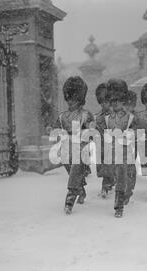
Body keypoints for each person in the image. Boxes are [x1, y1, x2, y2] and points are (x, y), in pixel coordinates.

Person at [50, 76, 94, 215]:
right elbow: (56, 128)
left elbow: (91, 131)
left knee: (76, 167)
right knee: (72, 170)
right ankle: (80, 188)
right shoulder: (63, 116)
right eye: (69, 99)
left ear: (79, 100)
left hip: (81, 147)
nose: (70, 102)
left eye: (74, 99)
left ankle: (70, 198)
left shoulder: (86, 115)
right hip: (66, 147)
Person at [97, 79, 138, 218]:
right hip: (111, 153)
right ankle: (121, 193)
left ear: (123, 101)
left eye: (118, 100)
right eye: (112, 100)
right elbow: (99, 132)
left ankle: (118, 205)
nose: (115, 103)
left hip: (125, 152)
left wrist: (130, 134)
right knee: (117, 176)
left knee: (121, 176)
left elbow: (137, 131)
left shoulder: (130, 117)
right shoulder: (105, 118)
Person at [94, 83, 115, 198]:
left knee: (109, 166)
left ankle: (105, 187)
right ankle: (110, 182)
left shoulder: (115, 115)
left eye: (106, 102)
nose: (104, 104)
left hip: (112, 145)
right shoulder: (97, 116)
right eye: (102, 102)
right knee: (103, 168)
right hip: (101, 146)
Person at [124, 90, 138, 205]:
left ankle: (128, 190)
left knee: (129, 168)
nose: (128, 107)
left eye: (130, 105)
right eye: (126, 104)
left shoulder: (136, 117)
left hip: (133, 145)